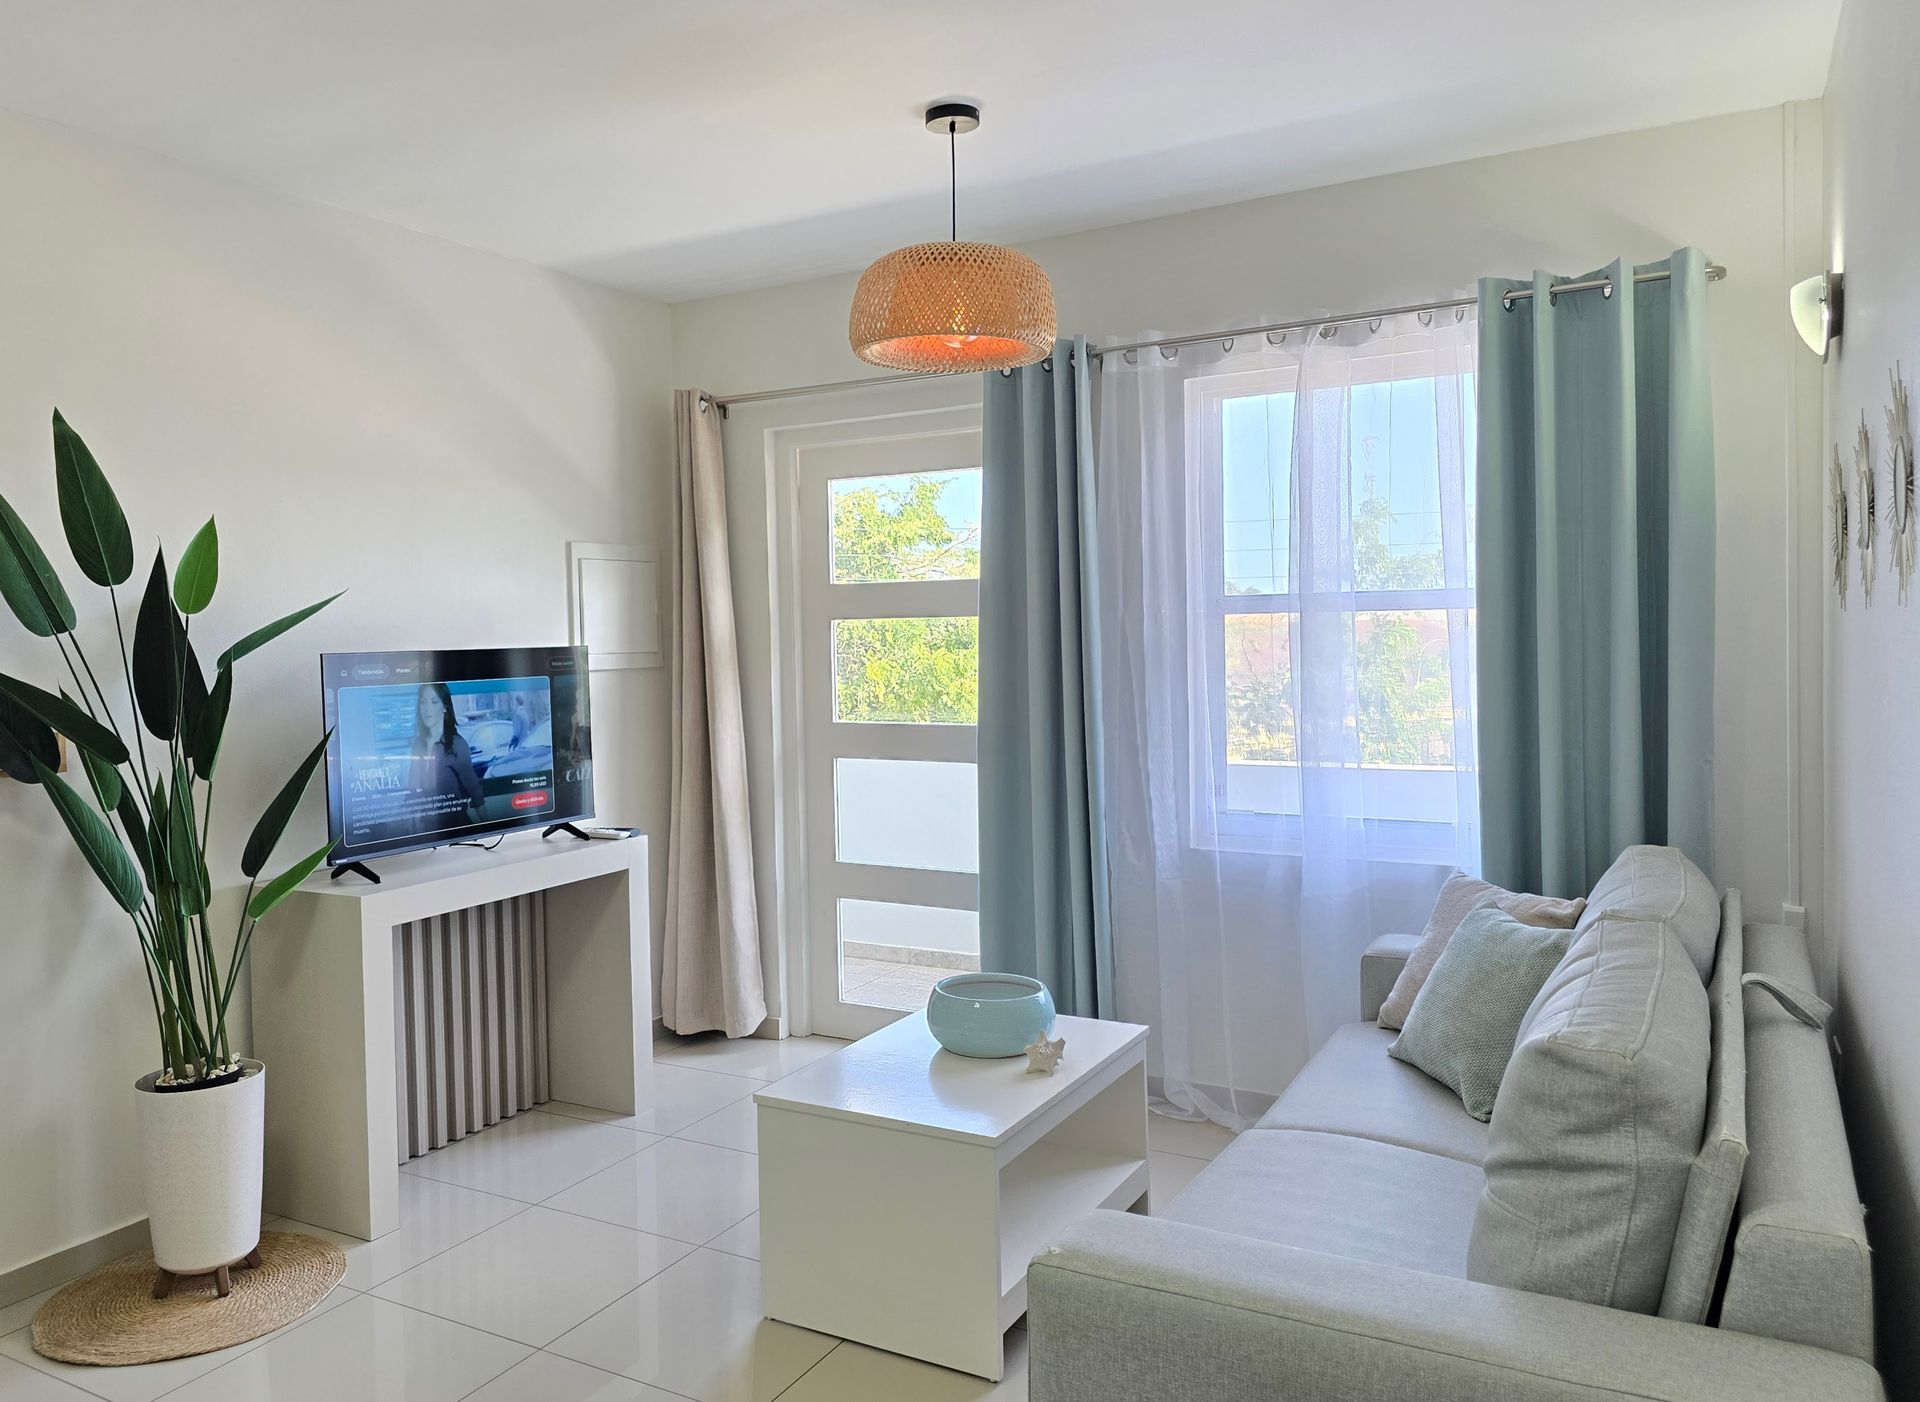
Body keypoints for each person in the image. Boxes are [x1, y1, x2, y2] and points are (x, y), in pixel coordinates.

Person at [407, 682, 485, 821]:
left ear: (444, 707)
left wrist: (489, 828)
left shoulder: (457, 745)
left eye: (434, 702)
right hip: (428, 832)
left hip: (457, 828)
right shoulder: (418, 745)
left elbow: (475, 792)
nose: (427, 709)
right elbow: (412, 790)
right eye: (423, 703)